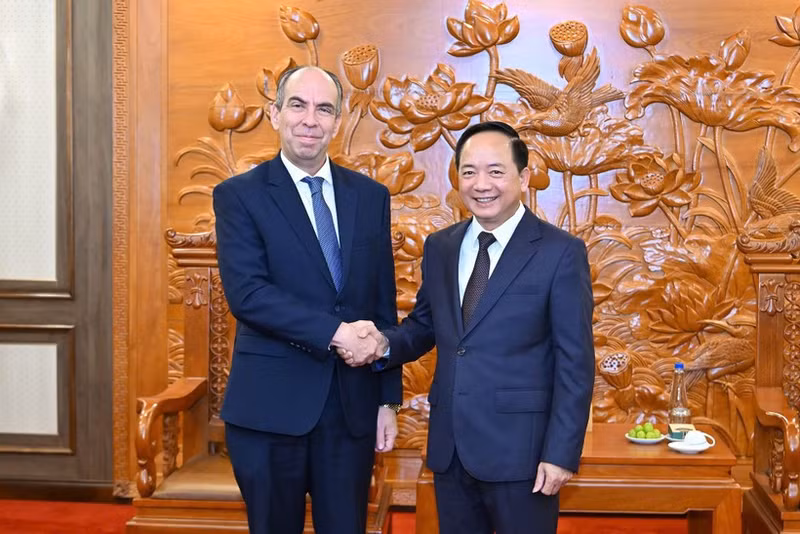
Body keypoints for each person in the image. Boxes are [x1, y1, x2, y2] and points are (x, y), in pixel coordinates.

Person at [343, 121, 595, 534]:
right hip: (451, 449)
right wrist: (381, 344)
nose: (481, 184)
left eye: (496, 171)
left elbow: (575, 362)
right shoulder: (441, 246)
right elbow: (424, 326)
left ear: (523, 178)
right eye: (469, 172)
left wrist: (561, 453)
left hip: (524, 455)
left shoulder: (560, 252)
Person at [212, 65, 402, 534]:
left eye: (324, 109)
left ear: (338, 121)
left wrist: (388, 401)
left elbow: (382, 302)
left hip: (350, 409)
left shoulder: (370, 197)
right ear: (275, 114)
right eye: (298, 105)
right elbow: (249, 294)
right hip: (269, 410)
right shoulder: (239, 196)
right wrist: (337, 333)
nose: (310, 119)